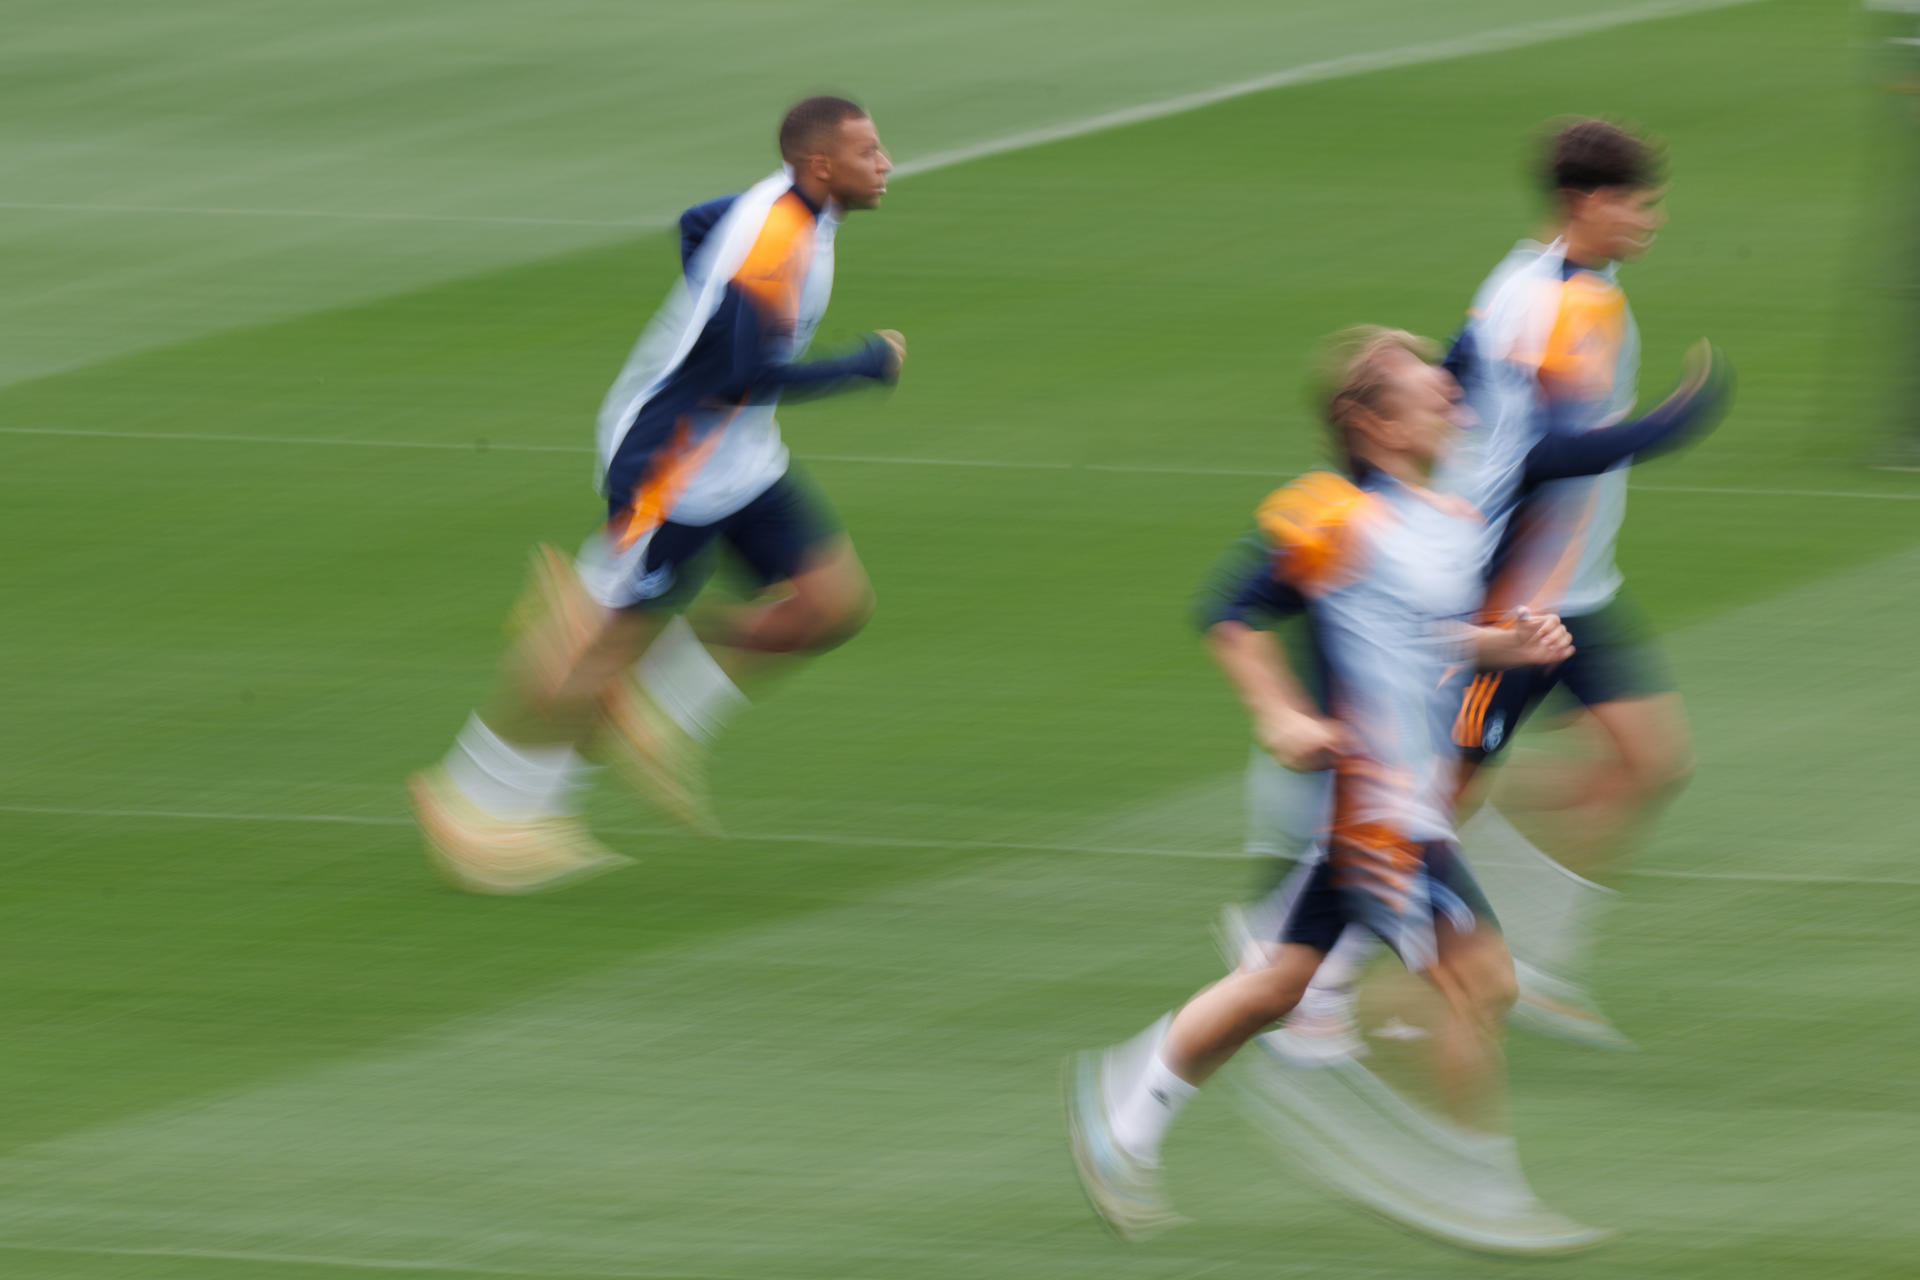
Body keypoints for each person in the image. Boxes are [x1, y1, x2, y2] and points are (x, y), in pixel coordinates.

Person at [1069, 324, 1726, 1250]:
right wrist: (1280, 713)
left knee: (1281, 982)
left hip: (1411, 797)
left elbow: (1424, 632)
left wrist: (1508, 644)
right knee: (1483, 979)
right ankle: (1476, 1190)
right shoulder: (1327, 512)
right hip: (1377, 806)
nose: (1453, 400)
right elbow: (1231, 615)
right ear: (1370, 423)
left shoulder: (1445, 519)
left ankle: (1124, 1106)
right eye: (1430, 393)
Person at [1275, 119, 1720, 1052]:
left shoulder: (1547, 287)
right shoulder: (1546, 300)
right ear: (1587, 204)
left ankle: (1530, 961)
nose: (1652, 218)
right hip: (1510, 597)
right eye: (1640, 202)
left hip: (1576, 587)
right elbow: (1542, 455)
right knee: (1430, 800)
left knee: (1650, 761)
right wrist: (1666, 426)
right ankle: (1305, 968)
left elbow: (1463, 376)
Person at [410, 95, 905, 893]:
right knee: (596, 646)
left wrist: (703, 306)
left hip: (739, 457)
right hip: (670, 468)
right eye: (870, 151)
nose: (885, 164)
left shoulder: (784, 207)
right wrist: (862, 364)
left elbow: (695, 221)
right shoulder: (777, 241)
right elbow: (747, 375)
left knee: (828, 603)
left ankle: (650, 704)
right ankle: (475, 799)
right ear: (821, 166)